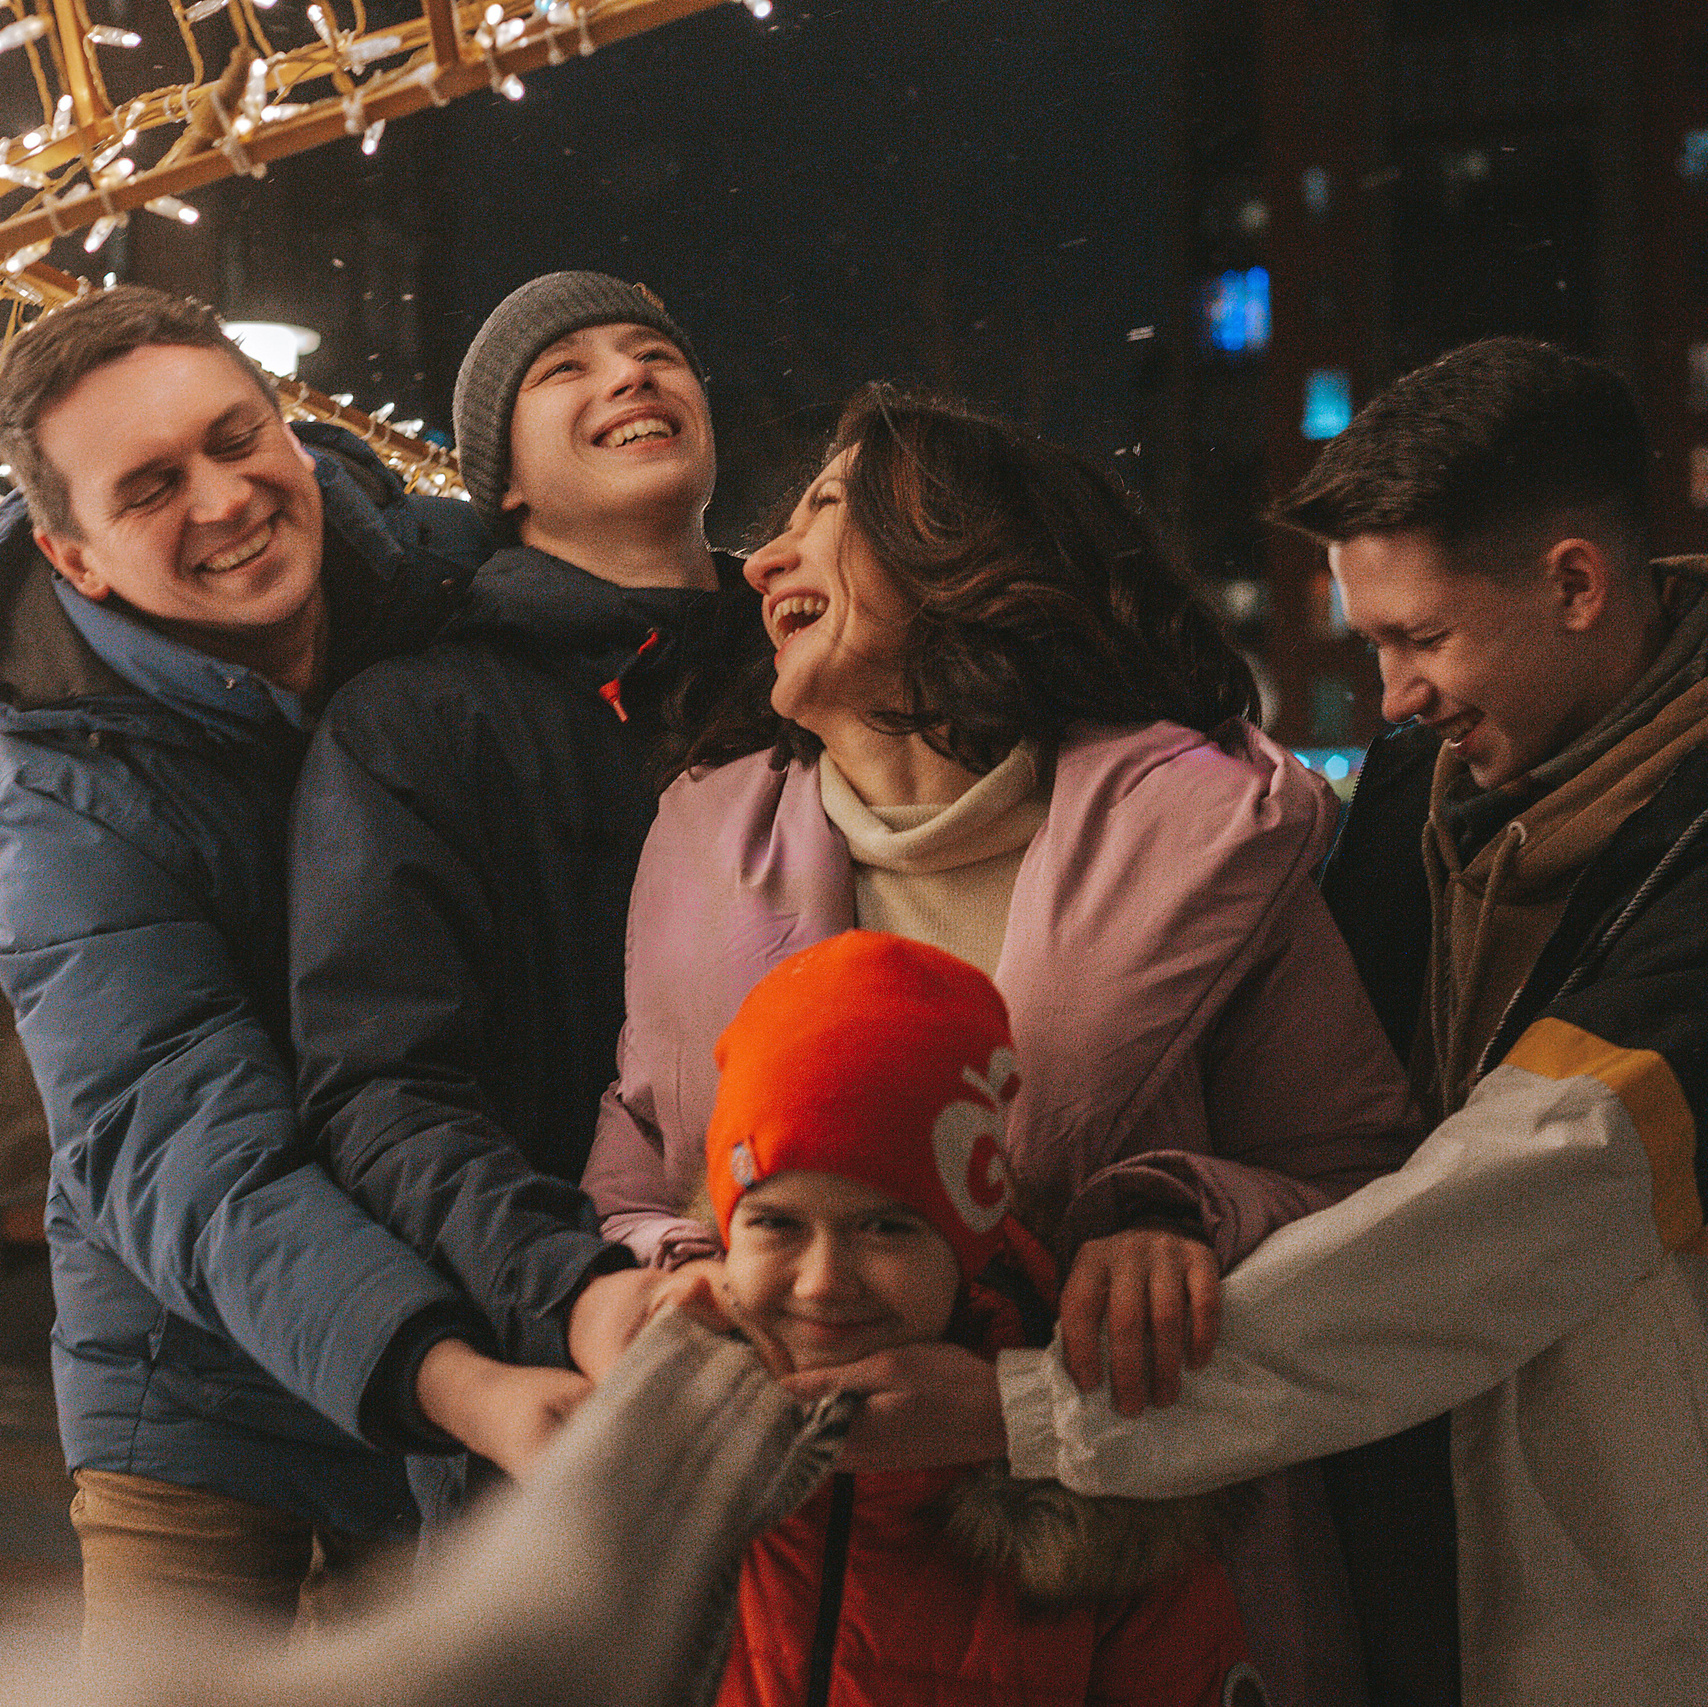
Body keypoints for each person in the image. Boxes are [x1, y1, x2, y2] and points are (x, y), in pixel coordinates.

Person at [813, 339, 1708, 1707]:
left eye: (1422, 637)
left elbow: (1526, 1199)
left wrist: (1027, 1409)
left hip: (1627, 1596)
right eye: (1372, 643)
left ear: (1576, 582)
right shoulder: (1424, 779)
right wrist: (1178, 1206)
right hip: (1402, 1545)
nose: (1393, 693)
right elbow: (1313, 1124)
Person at [583, 386, 1420, 1707]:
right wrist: (682, 1275)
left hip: (1137, 1581)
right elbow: (638, 1176)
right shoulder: (701, 844)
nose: (760, 562)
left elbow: (1366, 1175)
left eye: (819, 515)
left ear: (954, 554)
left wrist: (1179, 1216)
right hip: (789, 1598)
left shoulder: (1205, 842)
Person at [0, 285, 564, 1650]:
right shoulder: (51, 790)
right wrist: (447, 1372)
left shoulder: (449, 594)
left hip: (478, 1319)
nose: (224, 495)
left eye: (235, 435)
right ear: (77, 561)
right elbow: (167, 1128)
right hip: (197, 1398)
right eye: (149, 485)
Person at [289, 271, 766, 1520]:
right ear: (501, 478)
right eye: (567, 368)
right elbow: (387, 1083)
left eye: (655, 351)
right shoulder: (419, 724)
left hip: (856, 1368)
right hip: (571, 1400)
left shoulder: (825, 667)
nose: (629, 375)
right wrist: (575, 1290)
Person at [681, 928, 1266, 1707]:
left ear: (968, 1244)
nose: (822, 1284)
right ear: (726, 1232)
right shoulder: (656, 1440)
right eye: (777, 1224)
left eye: (886, 1226)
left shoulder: (1109, 1500)